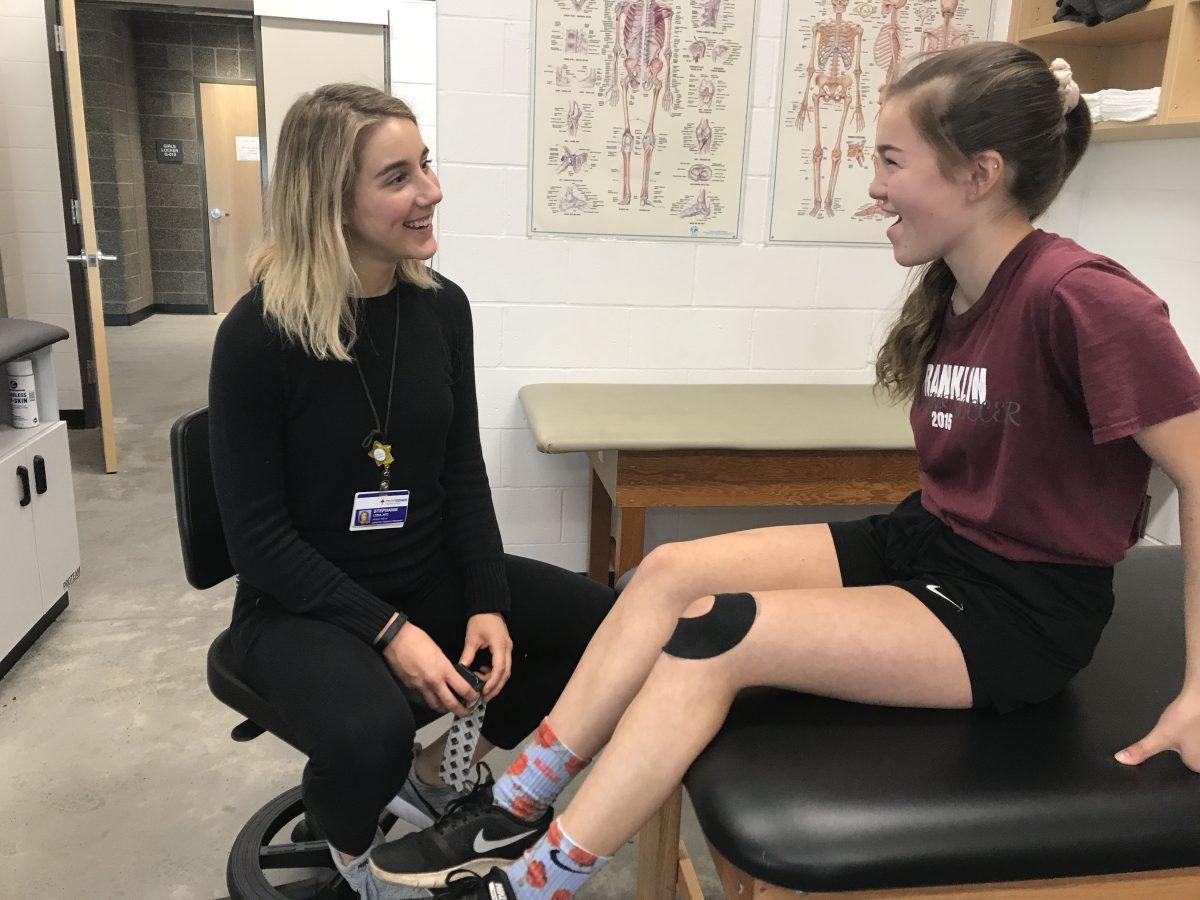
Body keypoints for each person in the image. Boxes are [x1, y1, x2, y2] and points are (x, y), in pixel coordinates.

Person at [366, 42, 1200, 900]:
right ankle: (512, 804)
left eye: (890, 160)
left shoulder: (1085, 298)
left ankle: (533, 885)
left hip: (1019, 611)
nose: (873, 185)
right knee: (666, 573)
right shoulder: (960, 288)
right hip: (931, 542)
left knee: (712, 638)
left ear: (979, 173)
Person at [207, 84, 613, 900]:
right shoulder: (256, 338)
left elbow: (460, 471)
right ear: (331, 200)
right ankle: (356, 858)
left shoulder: (441, 310)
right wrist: (391, 631)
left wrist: (488, 600)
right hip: (296, 607)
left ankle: (435, 777)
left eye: (424, 164)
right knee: (368, 733)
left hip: (425, 573)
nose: (431, 190)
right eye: (397, 177)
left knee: (608, 631)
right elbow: (258, 541)